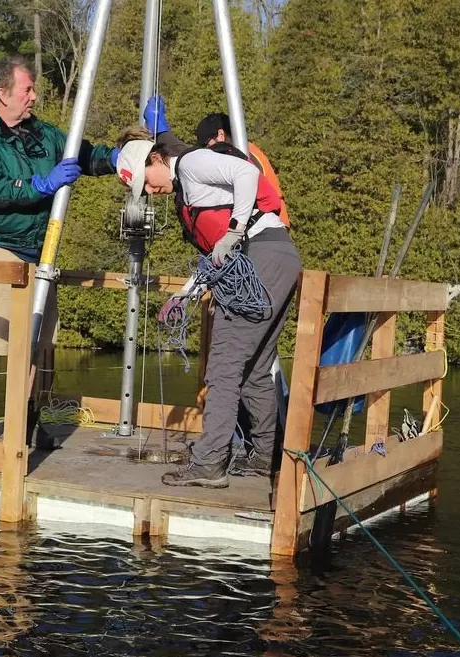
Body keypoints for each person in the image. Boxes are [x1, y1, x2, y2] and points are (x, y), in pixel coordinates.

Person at [114, 107, 302, 488]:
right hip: (273, 258)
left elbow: (248, 173)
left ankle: (209, 463)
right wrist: (185, 296)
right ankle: (266, 457)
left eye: (146, 184)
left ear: (155, 159)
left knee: (223, 366)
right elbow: (214, 257)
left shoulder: (192, 163)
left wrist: (234, 231)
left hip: (261, 255)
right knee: (253, 368)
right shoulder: (188, 184)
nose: (150, 193)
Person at [0, 55, 119, 439]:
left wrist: (118, 158)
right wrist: (41, 184)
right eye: (27, 89)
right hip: (0, 245)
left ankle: (24, 419)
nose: (34, 96)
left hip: (40, 250)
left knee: (36, 341)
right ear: (2, 93)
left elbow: (84, 152)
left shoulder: (44, 135)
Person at [194, 112, 290, 228]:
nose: (208, 150)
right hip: (271, 221)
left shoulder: (241, 154)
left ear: (220, 134)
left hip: (268, 223)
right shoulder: (247, 149)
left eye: (207, 145)